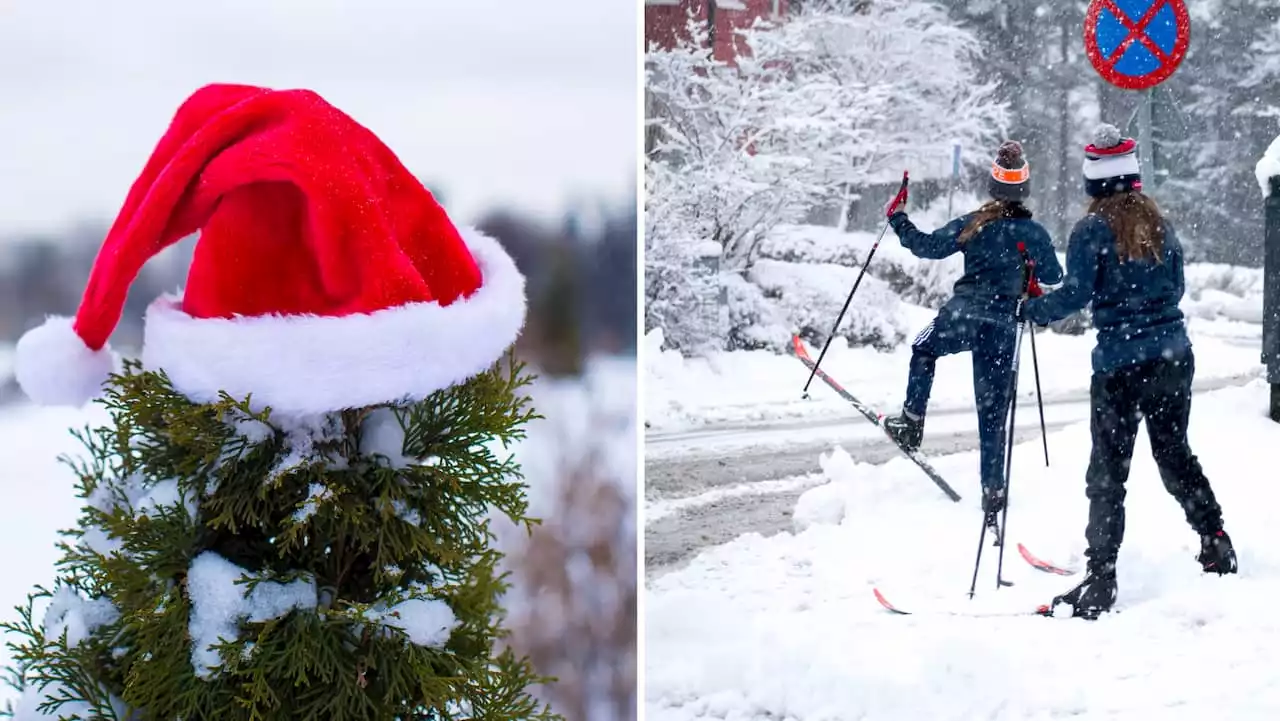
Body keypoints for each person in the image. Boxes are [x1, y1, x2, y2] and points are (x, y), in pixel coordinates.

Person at [1022, 124, 1237, 621]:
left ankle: (1101, 578)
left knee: (1108, 472)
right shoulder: (1161, 225)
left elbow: (1075, 296)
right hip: (1172, 358)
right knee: (1174, 453)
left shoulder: (1091, 230)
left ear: (1093, 180)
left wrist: (1031, 309)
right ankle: (1215, 540)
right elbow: (1177, 287)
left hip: (1120, 365)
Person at [881, 141, 1063, 518]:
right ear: (1024, 188)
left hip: (961, 316)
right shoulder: (1035, 233)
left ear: (993, 186)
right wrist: (1029, 265)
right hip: (1001, 326)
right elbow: (1054, 276)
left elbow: (927, 246)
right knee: (993, 413)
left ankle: (911, 422)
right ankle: (992, 491)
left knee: (923, 348)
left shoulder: (973, 223)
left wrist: (898, 218)